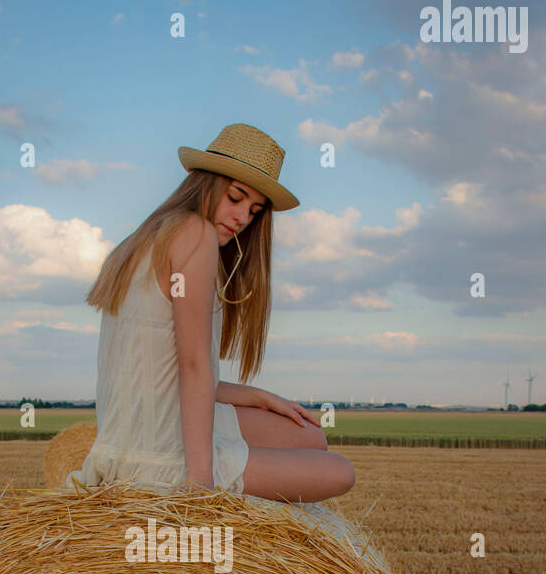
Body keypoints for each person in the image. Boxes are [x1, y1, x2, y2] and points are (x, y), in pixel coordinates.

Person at [66, 123, 356, 502]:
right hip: (162, 456)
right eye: (235, 197)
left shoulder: (145, 238)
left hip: (130, 438)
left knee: (310, 436)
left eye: (253, 211)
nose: (241, 218)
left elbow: (167, 374)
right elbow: (193, 365)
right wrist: (199, 486)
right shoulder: (195, 234)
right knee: (340, 472)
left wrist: (260, 397)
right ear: (206, 184)